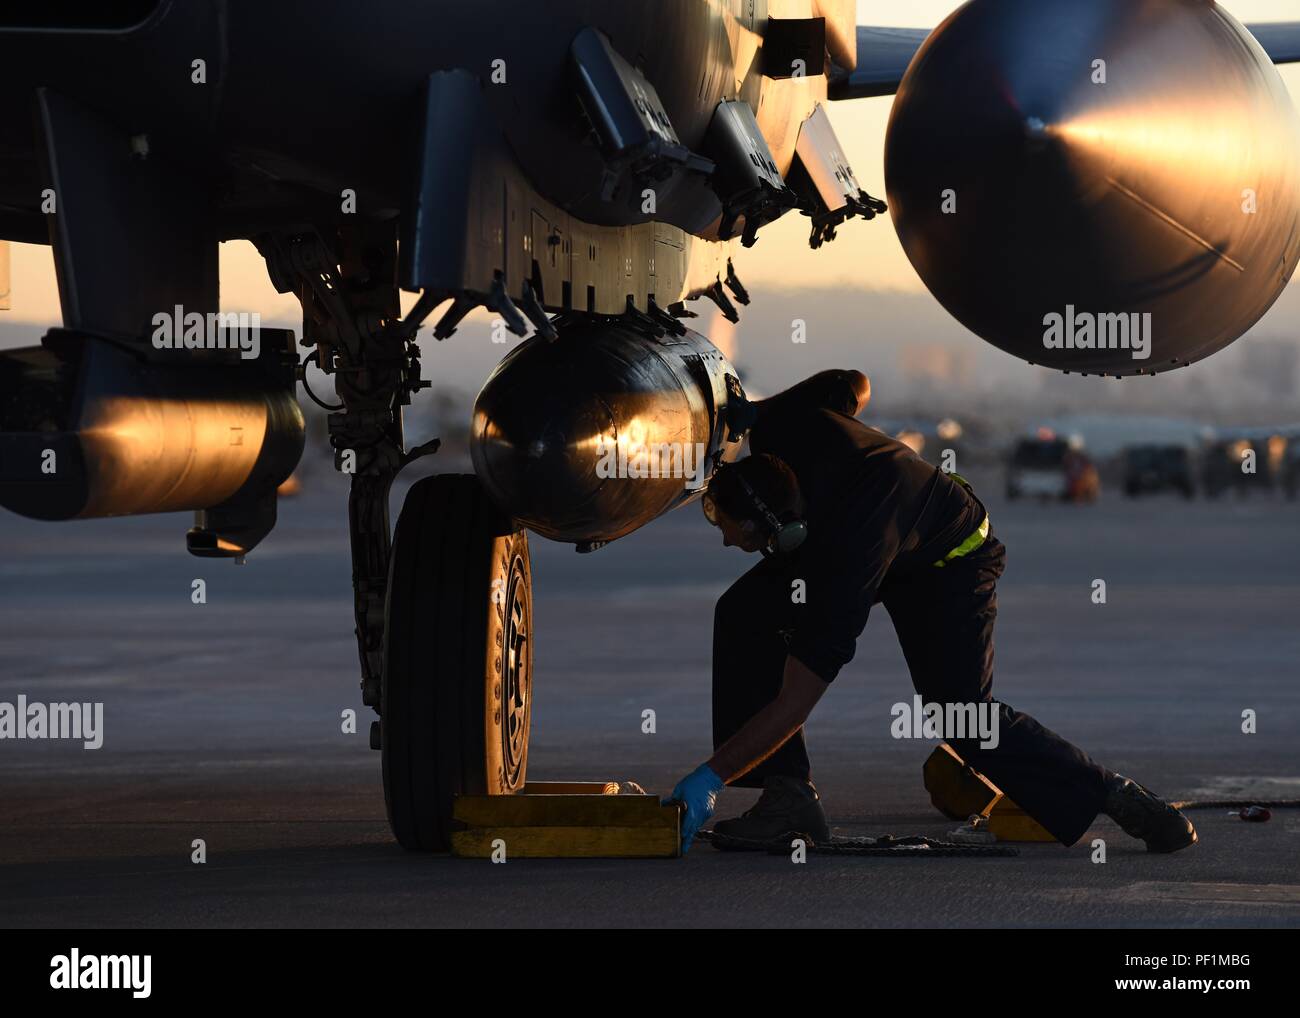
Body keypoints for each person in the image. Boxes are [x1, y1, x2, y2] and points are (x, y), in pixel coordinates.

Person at [666, 369, 1197, 855]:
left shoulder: (843, 562)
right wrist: (761, 410)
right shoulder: (782, 432)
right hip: (876, 531)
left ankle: (1114, 794)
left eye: (733, 535)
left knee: (960, 714)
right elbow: (854, 383)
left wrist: (711, 776)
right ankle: (788, 801)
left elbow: (794, 703)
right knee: (743, 612)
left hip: (950, 558)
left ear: (784, 531)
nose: (726, 544)